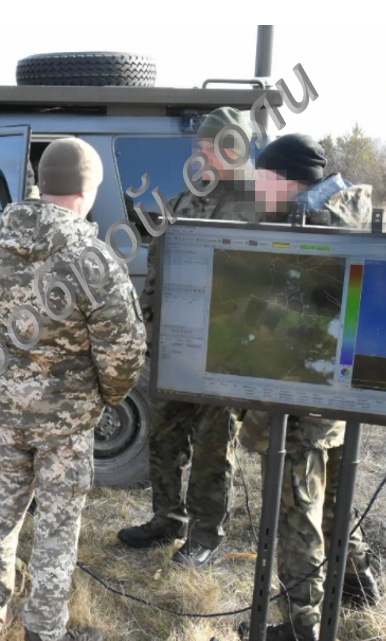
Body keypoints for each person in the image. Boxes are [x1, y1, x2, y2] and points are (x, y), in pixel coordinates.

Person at [0, 138, 146, 641]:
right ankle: (45, 632)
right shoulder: (94, 259)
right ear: (86, 190)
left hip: (5, 414)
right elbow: (123, 353)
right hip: (66, 426)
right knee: (57, 532)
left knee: (1, 519)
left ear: (43, 182)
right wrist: (107, 397)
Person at [238, 133, 380, 641]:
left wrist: (256, 311)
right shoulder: (348, 211)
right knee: (333, 494)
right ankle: (361, 586)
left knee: (298, 512)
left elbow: (312, 326)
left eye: (262, 178)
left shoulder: (311, 228)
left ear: (285, 179)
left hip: (305, 393)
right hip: (342, 387)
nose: (257, 187)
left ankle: (302, 626)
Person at [118, 107, 256, 567]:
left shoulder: (262, 205)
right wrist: (150, 324)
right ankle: (167, 519)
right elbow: (159, 267)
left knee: (214, 447)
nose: (198, 154)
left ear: (233, 149)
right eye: (198, 146)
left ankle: (205, 536)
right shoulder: (184, 201)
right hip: (177, 344)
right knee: (164, 434)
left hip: (225, 351)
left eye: (207, 147)